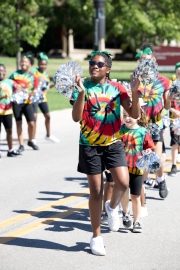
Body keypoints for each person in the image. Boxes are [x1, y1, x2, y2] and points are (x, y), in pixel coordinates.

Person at [70, 50, 140, 256]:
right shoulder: (82, 86)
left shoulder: (117, 88)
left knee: (123, 183)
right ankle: (96, 237)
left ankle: (112, 207)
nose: (94, 66)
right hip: (89, 146)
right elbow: (76, 118)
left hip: (113, 143)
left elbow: (134, 113)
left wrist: (135, 92)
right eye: (92, 63)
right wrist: (81, 93)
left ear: (108, 69)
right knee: (96, 192)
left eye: (99, 64)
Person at [136, 42, 172, 199]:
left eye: (147, 59)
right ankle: (140, 195)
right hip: (139, 124)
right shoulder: (136, 79)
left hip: (156, 123)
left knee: (156, 159)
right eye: (141, 60)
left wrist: (171, 99)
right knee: (142, 159)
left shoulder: (164, 81)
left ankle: (161, 179)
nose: (144, 62)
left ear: (154, 61)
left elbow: (166, 104)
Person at [119, 106, 155, 232]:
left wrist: (148, 152)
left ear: (138, 116)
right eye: (124, 115)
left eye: (130, 115)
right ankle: (125, 213)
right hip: (122, 168)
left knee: (135, 196)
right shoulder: (120, 131)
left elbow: (148, 147)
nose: (127, 118)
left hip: (137, 168)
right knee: (123, 192)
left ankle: (137, 221)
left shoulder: (143, 132)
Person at [9, 56, 39, 151]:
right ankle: (21, 145)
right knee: (19, 123)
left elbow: (35, 89)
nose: (23, 63)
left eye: (26, 62)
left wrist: (29, 93)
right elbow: (8, 86)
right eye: (22, 61)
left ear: (30, 64)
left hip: (27, 102)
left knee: (31, 123)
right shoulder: (14, 74)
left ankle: (30, 141)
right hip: (17, 103)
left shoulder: (32, 76)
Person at [31, 52, 59, 143]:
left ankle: (48, 135)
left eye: (44, 64)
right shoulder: (33, 72)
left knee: (48, 116)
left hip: (42, 98)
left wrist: (54, 85)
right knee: (34, 117)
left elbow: (45, 88)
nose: (43, 66)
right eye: (41, 64)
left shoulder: (46, 75)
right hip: (34, 98)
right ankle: (33, 138)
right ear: (38, 64)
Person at [0, 64, 21, 158]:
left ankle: (10, 150)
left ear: (5, 71)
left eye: (2, 70)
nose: (0, 72)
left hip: (8, 111)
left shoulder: (10, 82)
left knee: (9, 131)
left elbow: (19, 89)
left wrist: (19, 91)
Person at [168, 62, 180, 176]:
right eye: (178, 73)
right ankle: (174, 165)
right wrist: (173, 111)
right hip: (175, 120)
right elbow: (167, 104)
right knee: (175, 143)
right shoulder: (172, 87)